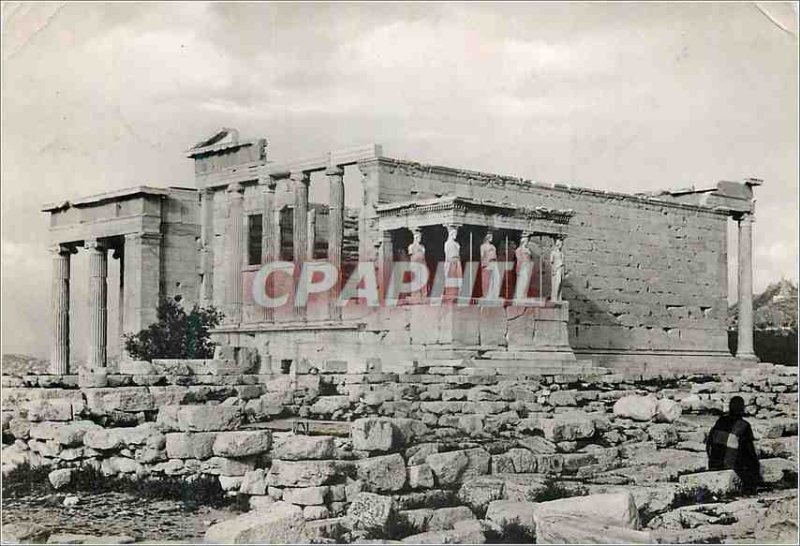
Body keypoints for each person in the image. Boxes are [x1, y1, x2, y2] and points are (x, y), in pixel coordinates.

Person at [706, 395, 761, 494]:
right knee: (752, 463)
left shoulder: (720, 421)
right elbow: (749, 451)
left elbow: (709, 443)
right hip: (730, 465)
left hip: (714, 463)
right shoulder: (744, 425)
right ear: (742, 409)